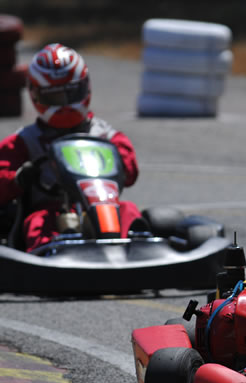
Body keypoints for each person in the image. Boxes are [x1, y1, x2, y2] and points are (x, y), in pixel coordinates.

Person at [0, 43, 141, 251]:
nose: (65, 105)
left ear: (85, 88)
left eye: (72, 93)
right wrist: (19, 178)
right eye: (55, 97)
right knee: (38, 221)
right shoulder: (25, 141)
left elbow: (130, 173)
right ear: (36, 95)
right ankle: (51, 253)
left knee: (128, 210)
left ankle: (137, 246)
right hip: (52, 209)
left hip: (103, 207)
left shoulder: (105, 135)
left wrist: (120, 164)